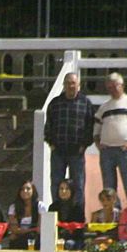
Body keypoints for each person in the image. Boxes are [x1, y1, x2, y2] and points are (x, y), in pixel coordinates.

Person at [93, 72, 127, 203]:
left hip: (123, 150)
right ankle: (114, 215)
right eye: (109, 87)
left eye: (115, 86)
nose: (113, 89)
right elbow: (96, 129)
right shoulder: (104, 106)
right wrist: (98, 144)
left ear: (122, 85)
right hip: (106, 151)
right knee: (109, 188)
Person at [44, 72, 94, 203]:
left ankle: (77, 217)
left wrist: (84, 145)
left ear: (79, 85)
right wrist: (51, 143)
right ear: (64, 85)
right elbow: (48, 125)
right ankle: (56, 213)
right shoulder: (55, 104)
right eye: (68, 83)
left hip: (77, 152)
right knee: (56, 184)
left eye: (73, 83)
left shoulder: (86, 103)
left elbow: (90, 126)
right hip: (58, 151)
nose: (71, 86)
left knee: (78, 185)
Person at [5, 181, 46, 250]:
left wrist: (23, 231)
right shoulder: (13, 207)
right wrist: (32, 229)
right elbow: (14, 229)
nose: (25, 191)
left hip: (35, 239)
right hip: (19, 238)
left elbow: (39, 229)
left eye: (28, 189)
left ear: (33, 190)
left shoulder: (40, 206)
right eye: (22, 189)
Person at [50, 179, 86, 249]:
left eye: (67, 189)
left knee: (69, 244)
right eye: (61, 189)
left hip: (73, 238)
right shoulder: (53, 207)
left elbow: (79, 229)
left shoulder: (77, 208)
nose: (63, 191)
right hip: (56, 238)